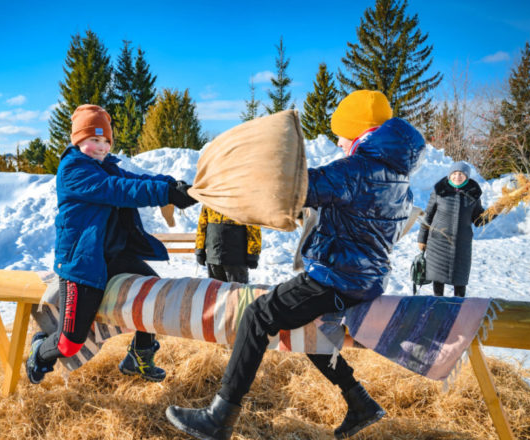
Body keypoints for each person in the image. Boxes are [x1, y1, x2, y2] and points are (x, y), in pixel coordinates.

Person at [166, 90, 426, 440]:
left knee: (259, 315)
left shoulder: (355, 170)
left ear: (360, 133)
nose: (336, 141)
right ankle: (360, 401)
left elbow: (297, 187)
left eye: (341, 134)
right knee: (303, 327)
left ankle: (219, 417)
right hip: (367, 279)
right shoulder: (399, 178)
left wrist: (248, 171)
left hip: (336, 278)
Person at [25, 104, 198, 385]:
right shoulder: (74, 171)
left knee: (153, 295)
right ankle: (40, 352)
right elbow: (119, 191)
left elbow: (137, 180)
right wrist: (164, 193)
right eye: (94, 139)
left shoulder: (106, 167)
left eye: (106, 140)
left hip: (112, 257)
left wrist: (175, 186)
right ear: (78, 140)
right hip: (83, 263)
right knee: (70, 343)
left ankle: (138, 357)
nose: (101, 146)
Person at [417, 162, 493, 297]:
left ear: (467, 177)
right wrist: (422, 239)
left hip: (461, 244)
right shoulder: (439, 191)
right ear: (450, 175)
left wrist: (495, 211)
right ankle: (438, 305)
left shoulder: (473, 194)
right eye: (454, 173)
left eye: (461, 174)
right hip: (438, 242)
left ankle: (459, 308)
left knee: (460, 279)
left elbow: (478, 220)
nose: (457, 176)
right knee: (437, 278)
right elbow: (428, 216)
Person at [195, 205, 262, 283]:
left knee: (232, 292)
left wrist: (253, 254)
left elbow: (253, 227)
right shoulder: (210, 199)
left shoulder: (243, 199)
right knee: (222, 292)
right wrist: (199, 250)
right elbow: (202, 225)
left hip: (232, 257)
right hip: (219, 256)